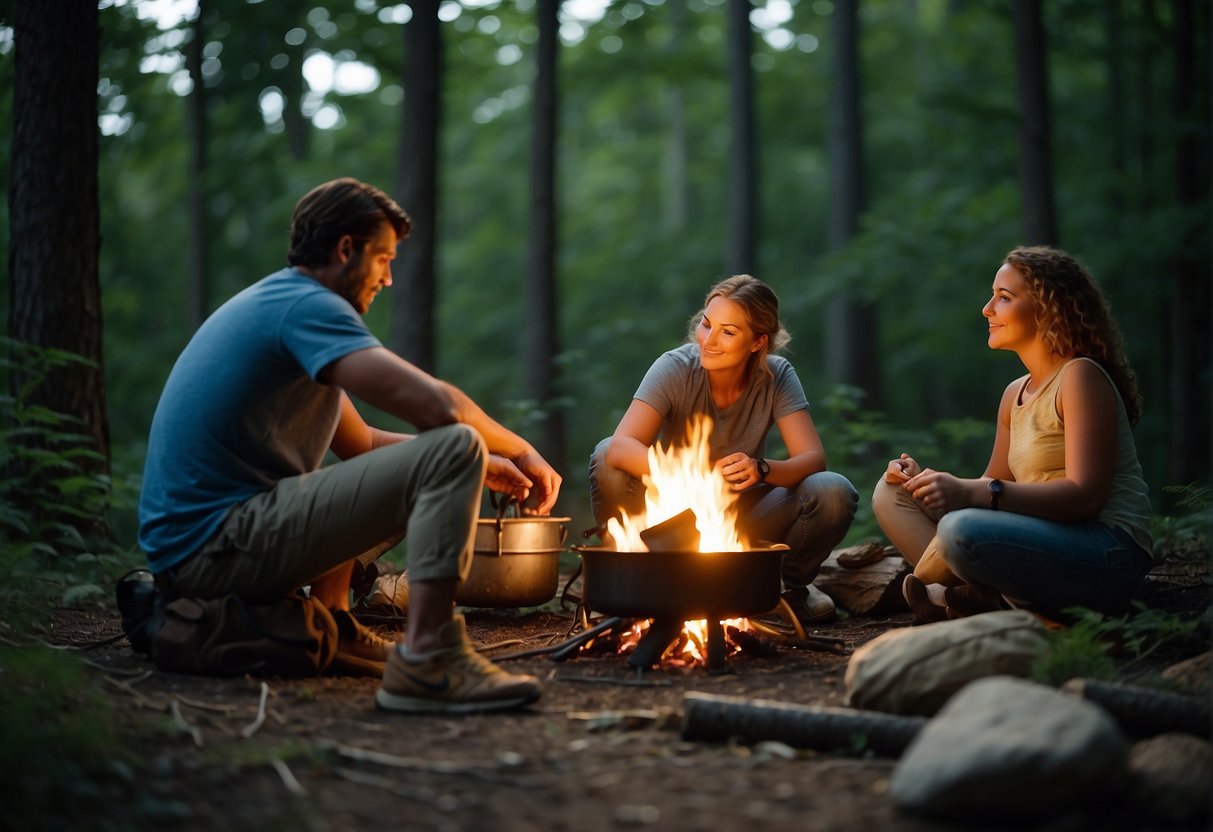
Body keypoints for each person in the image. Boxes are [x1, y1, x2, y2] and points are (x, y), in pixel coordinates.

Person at [138, 177, 562, 714]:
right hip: (212, 548)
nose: (388, 277)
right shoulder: (308, 307)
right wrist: (515, 448)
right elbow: (442, 411)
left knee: (452, 453)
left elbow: (361, 447)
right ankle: (429, 661)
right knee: (454, 443)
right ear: (345, 250)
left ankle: (335, 622)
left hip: (209, 546)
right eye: (383, 258)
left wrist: (477, 467)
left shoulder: (285, 307)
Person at [872, 246, 1153, 624]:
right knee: (891, 494)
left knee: (961, 529)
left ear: (1050, 308)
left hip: (1106, 554)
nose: (987, 309)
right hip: (1039, 540)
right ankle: (981, 597)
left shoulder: (1080, 376)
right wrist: (927, 482)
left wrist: (972, 492)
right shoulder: (1014, 394)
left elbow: (1086, 497)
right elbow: (994, 484)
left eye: (1003, 298)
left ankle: (950, 592)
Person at [589, 275, 858, 626]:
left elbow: (812, 459)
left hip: (744, 516)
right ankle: (627, 579)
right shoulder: (674, 368)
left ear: (758, 342)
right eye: (706, 324)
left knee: (832, 490)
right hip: (669, 520)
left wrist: (760, 469)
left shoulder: (777, 376)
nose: (709, 340)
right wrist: (688, 477)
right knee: (605, 454)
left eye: (728, 332)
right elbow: (622, 446)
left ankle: (787, 588)